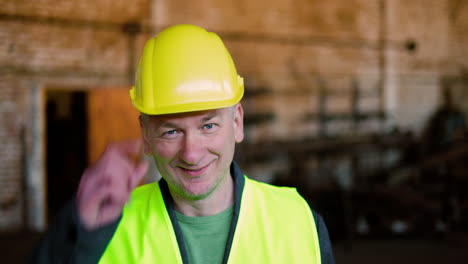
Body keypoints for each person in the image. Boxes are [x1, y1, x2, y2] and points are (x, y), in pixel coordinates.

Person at [30, 24, 335, 264]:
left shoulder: (298, 219)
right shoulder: (105, 226)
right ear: (146, 137)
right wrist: (74, 234)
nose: (191, 153)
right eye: (171, 132)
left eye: (208, 125)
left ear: (237, 123)